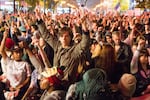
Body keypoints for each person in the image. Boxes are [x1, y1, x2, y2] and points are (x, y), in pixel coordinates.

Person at [36, 13, 90, 89]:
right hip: (54, 82)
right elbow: (46, 35)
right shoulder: (57, 45)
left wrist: (84, 26)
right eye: (62, 36)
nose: (64, 38)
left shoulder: (75, 50)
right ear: (59, 38)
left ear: (71, 37)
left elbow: (85, 43)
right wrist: (39, 20)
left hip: (66, 85)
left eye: (66, 36)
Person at [0, 28, 31, 99]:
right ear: (13, 54)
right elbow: (1, 51)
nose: (18, 54)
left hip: (20, 91)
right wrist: (5, 37)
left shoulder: (25, 64)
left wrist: (21, 85)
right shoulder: (9, 61)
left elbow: (28, 77)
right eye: (16, 52)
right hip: (8, 90)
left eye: (20, 52)